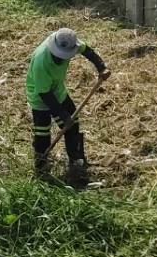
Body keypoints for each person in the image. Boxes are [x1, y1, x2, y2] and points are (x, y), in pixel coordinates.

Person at [24, 27, 108, 180]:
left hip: (58, 90)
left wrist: (101, 67)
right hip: (39, 96)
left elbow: (87, 51)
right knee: (42, 134)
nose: (61, 59)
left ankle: (76, 159)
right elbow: (45, 94)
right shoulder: (41, 61)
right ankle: (41, 166)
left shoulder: (69, 42)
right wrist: (63, 115)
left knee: (73, 125)